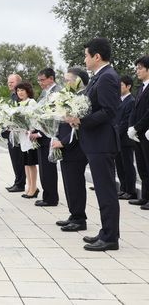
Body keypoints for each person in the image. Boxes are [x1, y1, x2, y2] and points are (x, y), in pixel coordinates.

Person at [66, 37, 120, 251]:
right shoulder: (100, 77)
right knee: (102, 190)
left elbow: (109, 111)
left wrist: (81, 120)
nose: (85, 60)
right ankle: (107, 231)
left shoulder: (107, 77)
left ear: (97, 56)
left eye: (87, 55)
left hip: (102, 142)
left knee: (106, 191)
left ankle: (110, 238)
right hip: (95, 141)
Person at [52, 67, 89, 232]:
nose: (65, 83)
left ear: (78, 80)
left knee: (76, 184)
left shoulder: (82, 99)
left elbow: (79, 127)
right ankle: (74, 214)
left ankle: (80, 219)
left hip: (75, 149)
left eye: (68, 80)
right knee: (69, 183)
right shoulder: (70, 97)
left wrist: (64, 142)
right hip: (66, 147)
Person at [29, 68, 61, 207]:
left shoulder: (57, 93)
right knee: (43, 167)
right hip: (41, 134)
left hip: (49, 135)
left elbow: (53, 118)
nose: (40, 83)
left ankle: (51, 198)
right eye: (39, 80)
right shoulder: (45, 92)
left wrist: (40, 133)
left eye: (42, 80)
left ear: (51, 79)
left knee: (48, 168)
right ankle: (46, 195)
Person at [128, 56, 149, 209]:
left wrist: (137, 127)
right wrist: (131, 127)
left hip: (146, 132)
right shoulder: (141, 88)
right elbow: (135, 111)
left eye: (140, 68)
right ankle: (145, 197)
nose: (137, 71)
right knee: (141, 166)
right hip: (138, 134)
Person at [14, 82, 39, 199]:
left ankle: (34, 188)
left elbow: (35, 119)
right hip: (22, 138)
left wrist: (30, 128)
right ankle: (29, 187)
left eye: (22, 90)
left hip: (30, 137)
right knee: (26, 164)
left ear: (27, 91)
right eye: (18, 91)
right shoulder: (19, 104)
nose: (20, 92)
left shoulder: (31, 102)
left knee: (31, 163)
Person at [116, 75, 137, 200]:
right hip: (118, 139)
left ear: (128, 86)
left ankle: (131, 190)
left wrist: (116, 132)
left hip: (126, 139)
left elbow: (126, 121)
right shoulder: (119, 100)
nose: (119, 87)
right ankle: (123, 188)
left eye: (121, 85)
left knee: (128, 165)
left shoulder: (131, 101)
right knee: (120, 164)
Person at [4, 74, 27, 192]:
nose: (9, 84)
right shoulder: (12, 96)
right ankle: (17, 181)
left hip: (18, 134)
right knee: (14, 158)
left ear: (18, 83)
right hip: (11, 133)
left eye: (12, 82)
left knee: (19, 159)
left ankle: (20, 183)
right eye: (8, 82)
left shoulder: (21, 97)